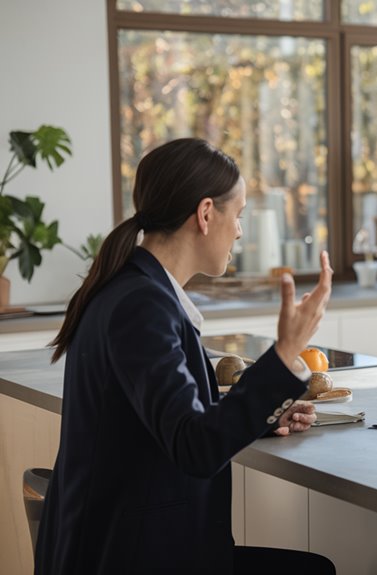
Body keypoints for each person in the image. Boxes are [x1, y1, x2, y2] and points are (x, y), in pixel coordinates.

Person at [37, 138, 336, 574]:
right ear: (206, 213)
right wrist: (286, 351)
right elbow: (193, 447)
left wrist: (262, 415)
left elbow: (166, 420)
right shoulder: (143, 305)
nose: (238, 231)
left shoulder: (132, 289)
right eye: (238, 216)